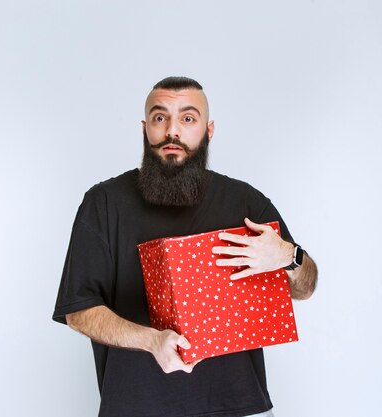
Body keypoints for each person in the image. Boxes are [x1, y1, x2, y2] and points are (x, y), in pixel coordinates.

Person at [53, 76, 317, 417]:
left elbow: (305, 289)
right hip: (136, 408)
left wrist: (289, 257)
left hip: (239, 406)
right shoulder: (103, 203)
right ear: (145, 127)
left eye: (187, 118)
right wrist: (151, 341)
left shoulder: (246, 202)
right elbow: (79, 311)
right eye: (160, 117)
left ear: (208, 130)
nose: (172, 131)